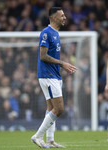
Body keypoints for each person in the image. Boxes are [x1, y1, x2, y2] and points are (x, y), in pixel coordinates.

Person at [31, 7, 77, 148]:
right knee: (59, 109)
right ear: (54, 18)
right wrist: (63, 63)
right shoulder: (46, 33)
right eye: (62, 15)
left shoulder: (56, 33)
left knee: (51, 107)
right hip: (48, 75)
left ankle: (50, 139)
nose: (64, 17)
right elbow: (43, 56)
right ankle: (38, 136)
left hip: (54, 75)